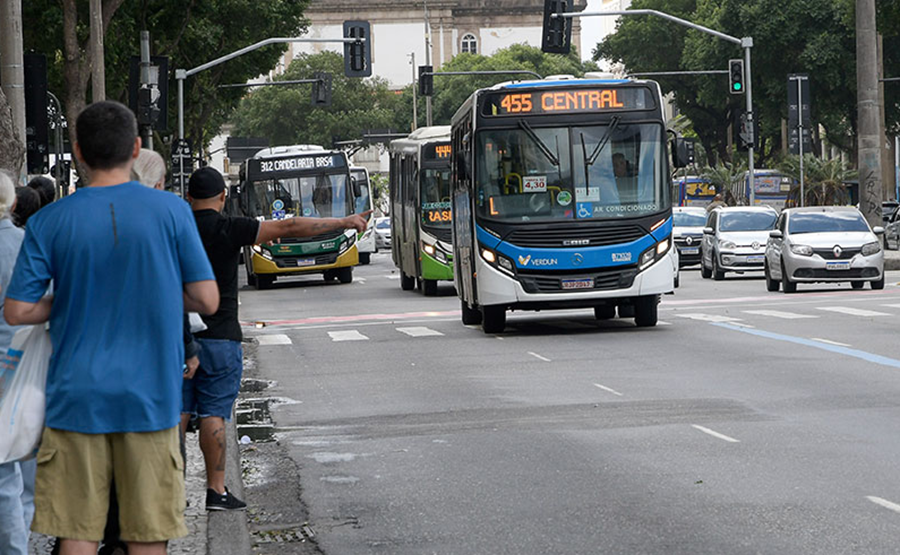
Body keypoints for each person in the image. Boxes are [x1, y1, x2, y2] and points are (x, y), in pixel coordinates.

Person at [4, 101, 219, 555]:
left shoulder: (48, 220)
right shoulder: (172, 212)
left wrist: (75, 297)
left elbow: (17, 312)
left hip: (74, 400)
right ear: (136, 147)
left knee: (77, 532)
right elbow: (207, 299)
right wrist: (154, 290)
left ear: (79, 152)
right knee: (146, 535)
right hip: (151, 399)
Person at [183, 167, 368, 511]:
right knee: (213, 414)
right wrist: (344, 222)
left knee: (176, 414)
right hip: (221, 337)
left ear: (188, 197)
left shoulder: (176, 229)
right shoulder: (230, 227)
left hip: (177, 337)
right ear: (224, 197)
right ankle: (216, 491)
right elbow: (289, 226)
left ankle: (164, 492)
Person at [0, 170, 35, 555]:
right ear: (11, 204)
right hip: (28, 369)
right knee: (24, 474)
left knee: (6, 477)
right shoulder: (29, 245)